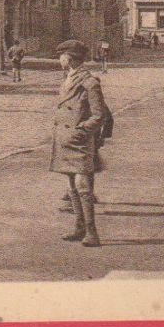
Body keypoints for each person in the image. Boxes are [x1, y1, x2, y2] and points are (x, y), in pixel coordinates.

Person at [50, 39, 108, 247]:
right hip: (66, 141)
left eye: (61, 56)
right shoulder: (68, 78)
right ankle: (79, 226)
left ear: (70, 59)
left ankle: (92, 232)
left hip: (79, 142)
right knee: (71, 186)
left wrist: (82, 131)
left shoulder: (89, 82)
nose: (59, 59)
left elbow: (99, 115)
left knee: (83, 187)